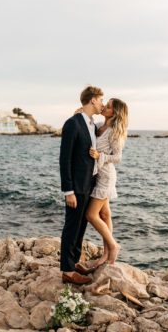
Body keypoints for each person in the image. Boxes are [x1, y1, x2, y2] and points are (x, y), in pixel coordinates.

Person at [59, 86, 104, 285]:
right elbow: (64, 159)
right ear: (92, 100)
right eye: (101, 100)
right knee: (72, 226)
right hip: (76, 186)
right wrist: (68, 191)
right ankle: (67, 271)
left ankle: (74, 261)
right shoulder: (73, 124)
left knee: (81, 225)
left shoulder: (92, 124)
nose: (103, 104)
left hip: (90, 182)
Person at [85, 98, 128, 267]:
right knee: (105, 215)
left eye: (108, 107)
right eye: (106, 104)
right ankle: (106, 255)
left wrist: (99, 156)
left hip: (106, 177)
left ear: (115, 113)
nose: (104, 107)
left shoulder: (113, 131)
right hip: (98, 175)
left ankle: (113, 246)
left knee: (91, 215)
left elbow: (118, 157)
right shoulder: (99, 126)